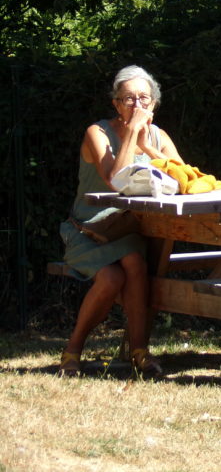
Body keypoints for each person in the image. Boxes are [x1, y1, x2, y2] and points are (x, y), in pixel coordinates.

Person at [58, 65, 182, 377]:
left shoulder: (159, 135)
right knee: (113, 277)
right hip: (87, 229)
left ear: (153, 103)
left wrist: (146, 146)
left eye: (143, 99)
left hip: (125, 231)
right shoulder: (97, 133)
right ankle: (72, 352)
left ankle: (139, 351)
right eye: (128, 99)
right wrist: (130, 135)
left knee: (135, 262)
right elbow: (115, 179)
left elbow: (184, 179)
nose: (137, 106)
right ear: (116, 104)